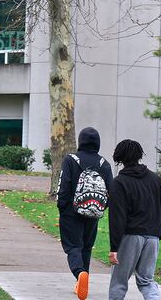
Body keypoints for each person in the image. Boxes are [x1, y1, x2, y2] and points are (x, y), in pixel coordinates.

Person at [107, 139, 161, 300]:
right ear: (139, 155)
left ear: (119, 158)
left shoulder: (119, 183)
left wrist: (114, 247)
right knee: (146, 281)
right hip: (153, 237)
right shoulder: (155, 179)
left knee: (119, 282)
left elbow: (117, 217)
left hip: (130, 237)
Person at [57, 127, 113, 300]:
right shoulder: (104, 163)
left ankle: (80, 274)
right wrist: (100, 208)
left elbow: (63, 186)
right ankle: (82, 281)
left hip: (71, 213)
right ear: (97, 143)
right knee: (86, 247)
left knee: (73, 247)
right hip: (93, 213)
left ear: (80, 141)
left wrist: (62, 207)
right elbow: (111, 191)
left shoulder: (70, 160)